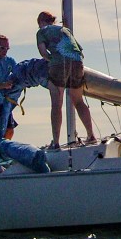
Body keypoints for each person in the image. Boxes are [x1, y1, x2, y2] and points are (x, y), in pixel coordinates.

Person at [36, 10, 96, 148]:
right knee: (78, 100)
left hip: (59, 63)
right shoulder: (65, 30)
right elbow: (79, 49)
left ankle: (56, 142)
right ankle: (91, 135)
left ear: (41, 22)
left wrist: (51, 60)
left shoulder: (42, 32)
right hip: (77, 62)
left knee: (57, 103)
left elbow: (43, 52)